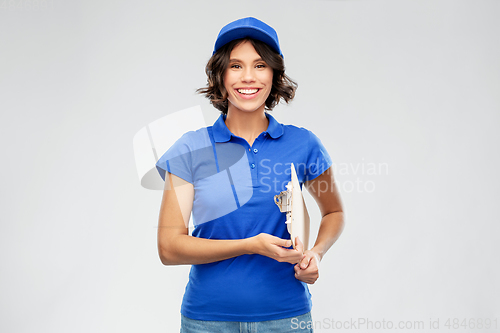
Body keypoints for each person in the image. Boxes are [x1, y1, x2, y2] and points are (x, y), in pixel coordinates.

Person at [155, 17, 344, 333]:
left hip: (286, 318)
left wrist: (316, 253)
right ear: (220, 75)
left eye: (259, 65)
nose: (248, 77)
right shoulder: (191, 148)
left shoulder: (304, 145)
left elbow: (334, 212)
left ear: (274, 74)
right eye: (235, 66)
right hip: (207, 320)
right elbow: (169, 247)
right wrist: (249, 245)